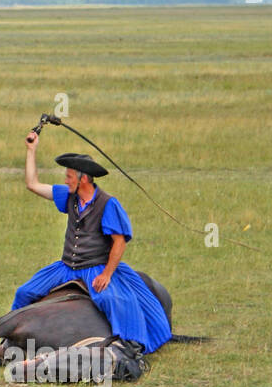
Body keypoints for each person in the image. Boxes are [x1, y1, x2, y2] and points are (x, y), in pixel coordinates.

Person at [15, 131, 170, 353]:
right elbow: (33, 184)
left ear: (83, 179)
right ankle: (13, 339)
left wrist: (106, 274)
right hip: (65, 267)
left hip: (95, 267)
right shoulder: (68, 196)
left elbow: (119, 242)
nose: (65, 180)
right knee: (24, 292)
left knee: (113, 300)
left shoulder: (108, 204)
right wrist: (31, 150)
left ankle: (131, 343)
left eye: (69, 177)